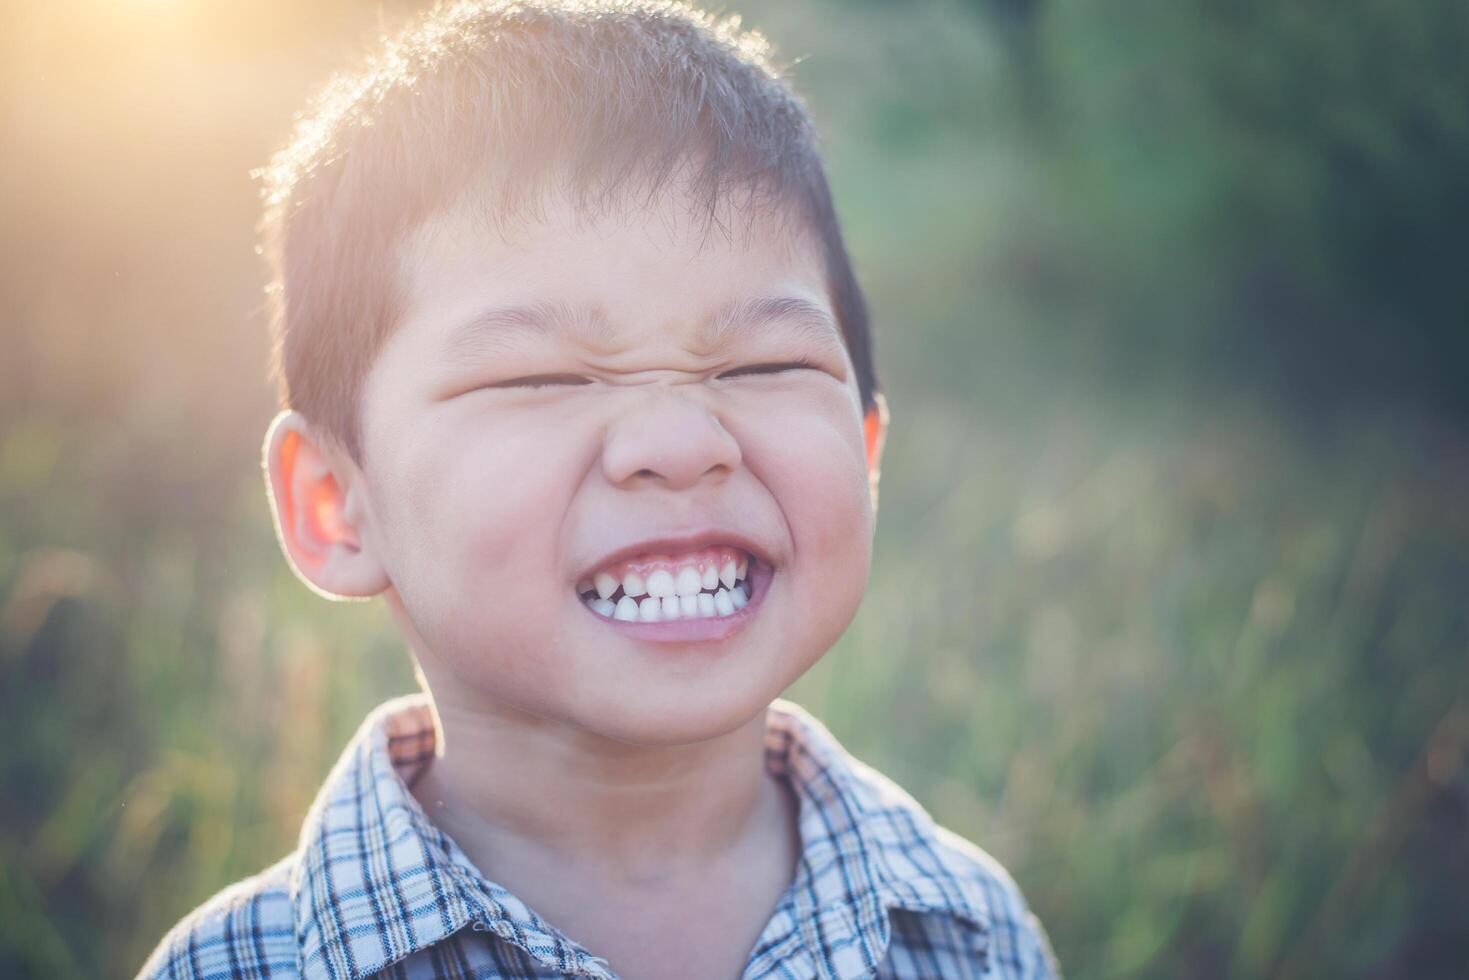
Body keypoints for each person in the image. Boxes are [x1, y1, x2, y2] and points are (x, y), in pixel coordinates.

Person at [138, 1, 1060, 977]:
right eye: (540, 376)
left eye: (760, 363)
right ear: (333, 503)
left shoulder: (969, 935)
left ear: (866, 447)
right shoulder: (234, 965)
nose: (679, 442)